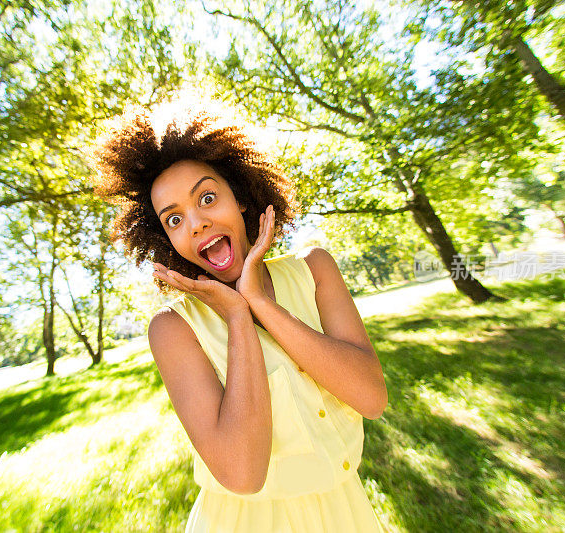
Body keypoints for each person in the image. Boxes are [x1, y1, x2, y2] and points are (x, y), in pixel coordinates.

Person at [90, 99, 387, 532]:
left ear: (242, 200)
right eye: (174, 220)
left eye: (207, 198)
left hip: (347, 513)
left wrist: (262, 304)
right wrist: (236, 317)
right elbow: (242, 475)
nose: (195, 223)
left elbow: (372, 399)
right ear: (167, 240)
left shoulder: (315, 269)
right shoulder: (174, 329)